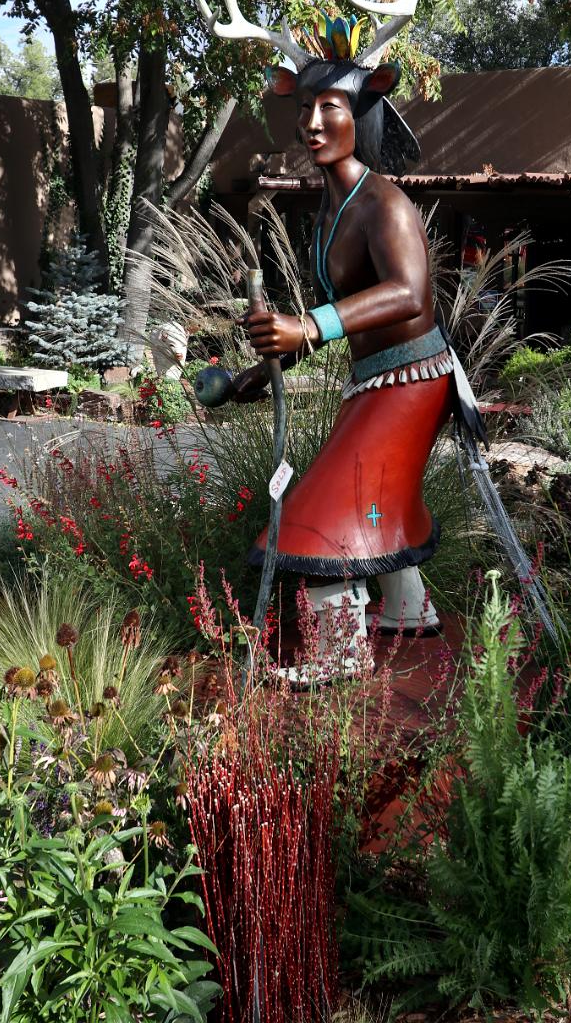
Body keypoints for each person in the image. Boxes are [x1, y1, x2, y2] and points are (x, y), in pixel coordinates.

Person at [228, 53, 453, 684]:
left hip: (412, 379)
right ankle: (408, 610)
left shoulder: (385, 204)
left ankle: (342, 653)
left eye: (330, 107)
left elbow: (408, 293)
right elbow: (342, 314)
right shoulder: (332, 211)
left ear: (362, 113)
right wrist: (271, 364)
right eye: (305, 108)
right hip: (379, 381)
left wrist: (307, 326)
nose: (313, 123)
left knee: (326, 509)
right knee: (375, 500)